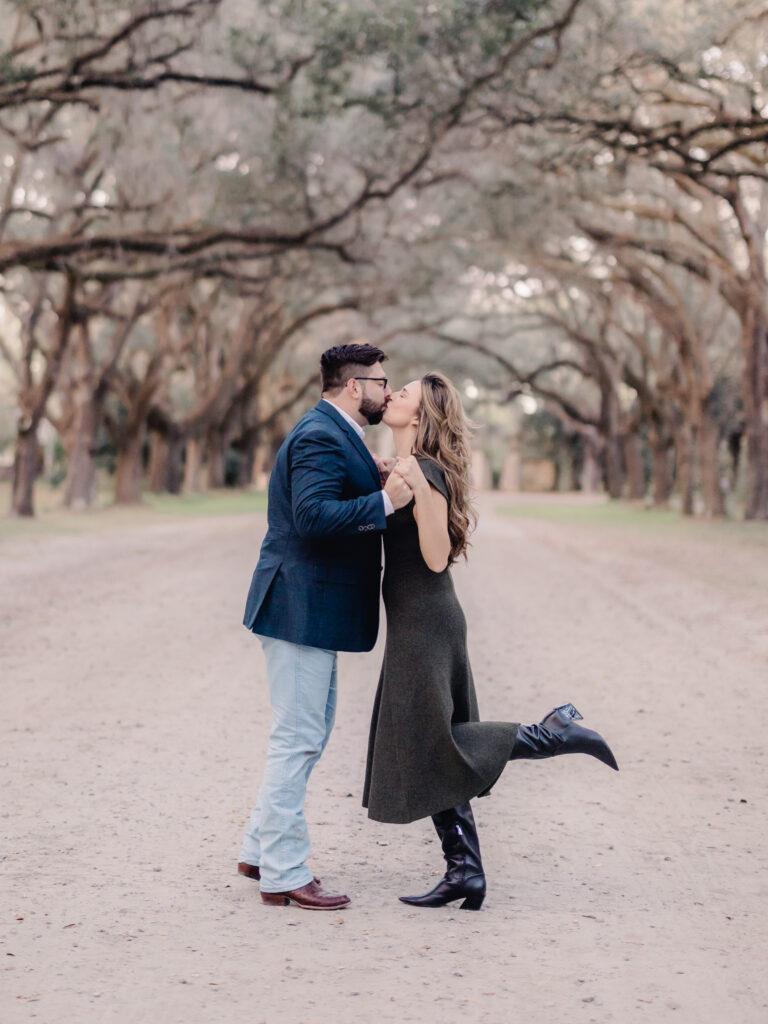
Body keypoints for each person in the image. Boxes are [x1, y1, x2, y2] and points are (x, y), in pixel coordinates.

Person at [362, 371, 618, 911]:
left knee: (432, 738)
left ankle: (552, 732)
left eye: (402, 393)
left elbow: (433, 557)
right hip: (420, 616)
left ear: (422, 415)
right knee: (438, 737)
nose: (391, 396)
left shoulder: (424, 471)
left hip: (425, 618)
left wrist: (414, 485)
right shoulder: (410, 469)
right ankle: (465, 871)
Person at [238, 343, 412, 911]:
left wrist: (373, 478)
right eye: (383, 382)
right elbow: (312, 517)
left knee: (304, 736)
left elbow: (329, 495)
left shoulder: (336, 433)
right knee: (297, 739)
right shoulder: (318, 434)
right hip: (298, 606)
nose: (389, 392)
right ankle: (284, 873)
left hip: (310, 609)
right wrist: (383, 502)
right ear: (355, 386)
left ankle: (259, 850)